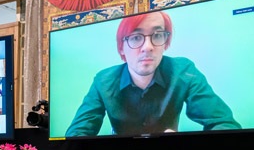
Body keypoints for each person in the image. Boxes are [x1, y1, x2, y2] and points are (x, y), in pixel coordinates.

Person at [66, 10, 240, 137]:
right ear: (122, 47)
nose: (148, 47)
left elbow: (225, 124)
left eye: (157, 35)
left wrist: (188, 144)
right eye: (135, 37)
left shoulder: (184, 71)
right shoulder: (103, 81)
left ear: (166, 43)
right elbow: (75, 135)